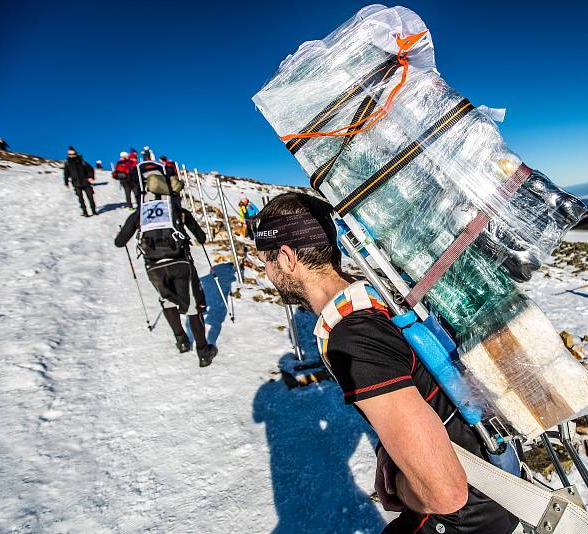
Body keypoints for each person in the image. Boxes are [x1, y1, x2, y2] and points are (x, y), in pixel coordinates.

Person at [253, 192, 518, 534]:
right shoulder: (380, 295)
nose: (266, 273)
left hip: (465, 517)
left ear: (287, 258)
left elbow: (445, 494)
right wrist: (388, 450)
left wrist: (397, 486)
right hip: (497, 480)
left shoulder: (353, 337)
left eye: (266, 261)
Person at [114, 162, 218, 367]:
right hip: (180, 262)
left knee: (168, 300)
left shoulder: (140, 214)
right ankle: (203, 352)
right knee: (192, 308)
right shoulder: (175, 209)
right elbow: (202, 238)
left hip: (154, 267)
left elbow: (119, 242)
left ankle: (181, 341)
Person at [63, 146, 97, 217]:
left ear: (75, 153)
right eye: (70, 154)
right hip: (76, 183)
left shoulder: (82, 161)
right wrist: (66, 182)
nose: (71, 156)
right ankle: (85, 212)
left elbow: (91, 169)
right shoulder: (67, 163)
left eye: (72, 154)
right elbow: (66, 173)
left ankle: (94, 211)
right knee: (80, 199)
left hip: (86, 182)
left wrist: (91, 177)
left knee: (90, 197)